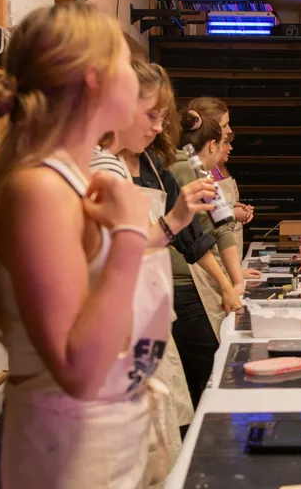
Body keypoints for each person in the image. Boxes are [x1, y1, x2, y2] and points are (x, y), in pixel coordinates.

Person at [0, 3, 168, 487]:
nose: (136, 77)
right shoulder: (39, 189)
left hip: (105, 443)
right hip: (67, 457)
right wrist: (127, 235)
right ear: (94, 78)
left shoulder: (76, 179)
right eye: (126, 63)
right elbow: (78, 371)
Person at [96, 62, 241, 409]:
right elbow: (118, 250)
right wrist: (172, 221)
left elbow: (194, 235)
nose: (160, 128)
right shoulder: (101, 167)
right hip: (115, 319)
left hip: (148, 309)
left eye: (164, 118)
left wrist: (227, 284)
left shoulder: (151, 166)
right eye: (152, 116)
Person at [172, 98, 258, 345]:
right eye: (223, 142)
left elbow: (220, 226)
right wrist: (232, 283)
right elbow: (212, 232)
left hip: (202, 279)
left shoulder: (194, 168)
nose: (227, 143)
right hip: (188, 284)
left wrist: (235, 281)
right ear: (211, 145)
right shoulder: (192, 170)